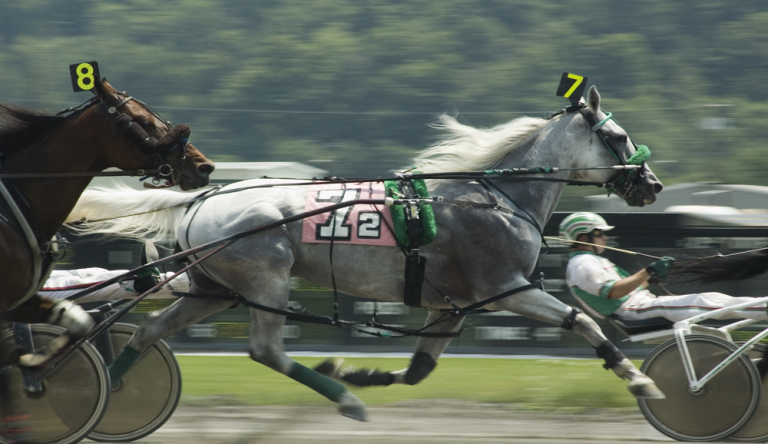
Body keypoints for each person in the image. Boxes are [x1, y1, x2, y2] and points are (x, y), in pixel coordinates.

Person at [560, 212, 768, 324]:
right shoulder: (582, 264)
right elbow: (615, 292)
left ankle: (762, 306)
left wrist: (649, 280)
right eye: (600, 233)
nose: (605, 237)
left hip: (642, 304)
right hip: (636, 311)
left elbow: (621, 288)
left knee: (711, 298)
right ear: (583, 236)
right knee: (703, 301)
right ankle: (763, 309)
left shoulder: (590, 261)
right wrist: (648, 271)